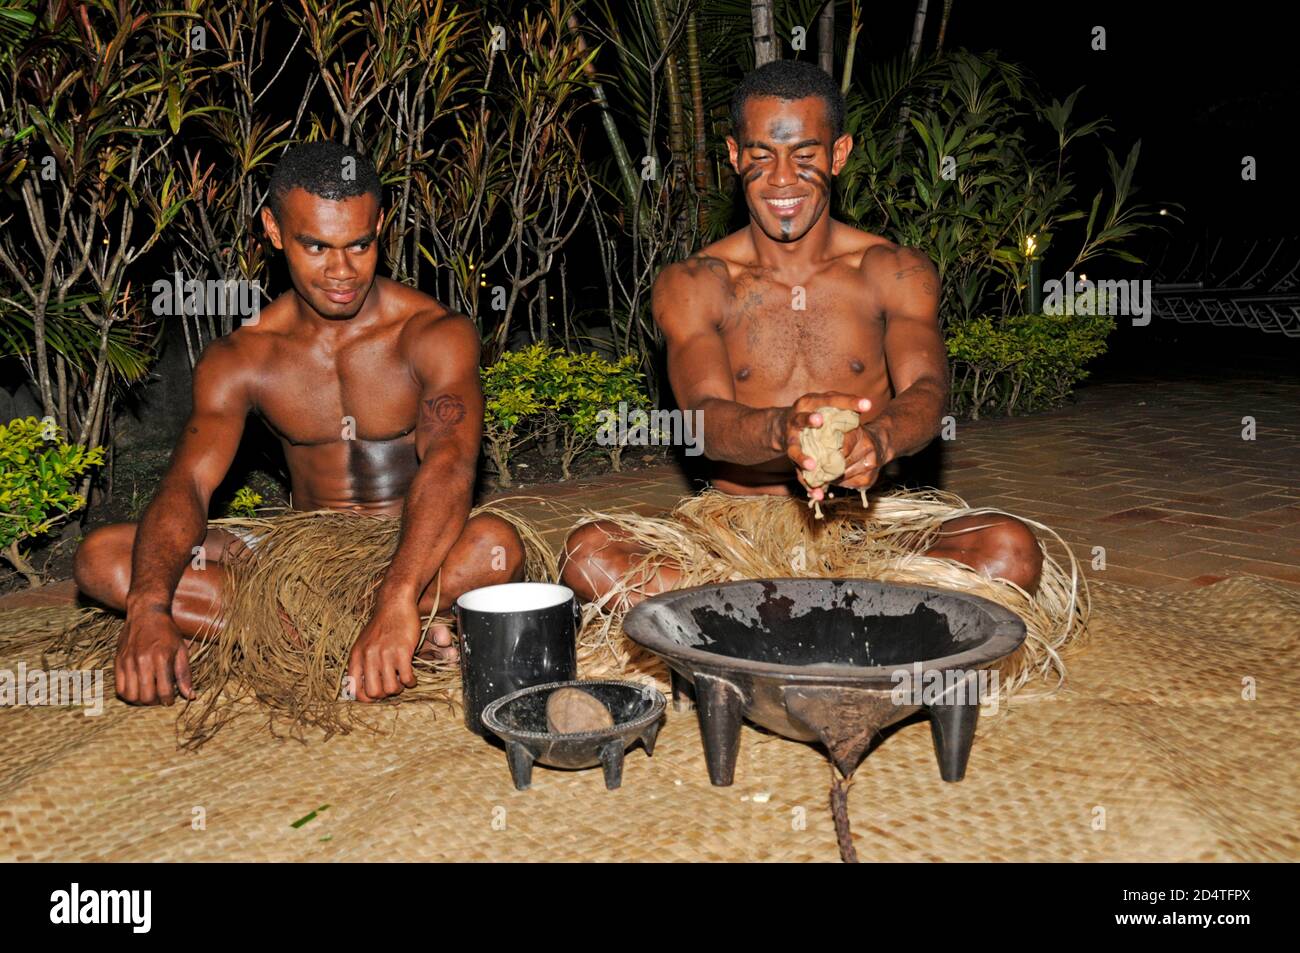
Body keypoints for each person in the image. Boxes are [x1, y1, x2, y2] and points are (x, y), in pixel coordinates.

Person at [561, 60, 1042, 603]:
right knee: (591, 553)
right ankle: (844, 617)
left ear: (837, 155)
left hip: (869, 528)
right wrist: (781, 432)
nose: (782, 179)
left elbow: (928, 393)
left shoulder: (893, 269)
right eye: (761, 155)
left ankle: (767, 618)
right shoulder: (696, 282)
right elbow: (701, 418)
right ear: (735, 156)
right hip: (737, 533)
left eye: (804, 156)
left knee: (1008, 549)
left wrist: (878, 440)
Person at [73, 142, 523, 706]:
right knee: (104, 558)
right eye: (316, 247)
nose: (342, 272)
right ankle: (359, 631)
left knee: (493, 546)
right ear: (274, 229)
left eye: (361, 244)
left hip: (416, 547)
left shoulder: (433, 333)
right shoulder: (243, 356)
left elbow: (452, 460)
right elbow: (189, 482)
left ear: (381, 225)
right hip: (302, 554)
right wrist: (148, 609)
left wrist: (397, 593)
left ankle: (324, 628)